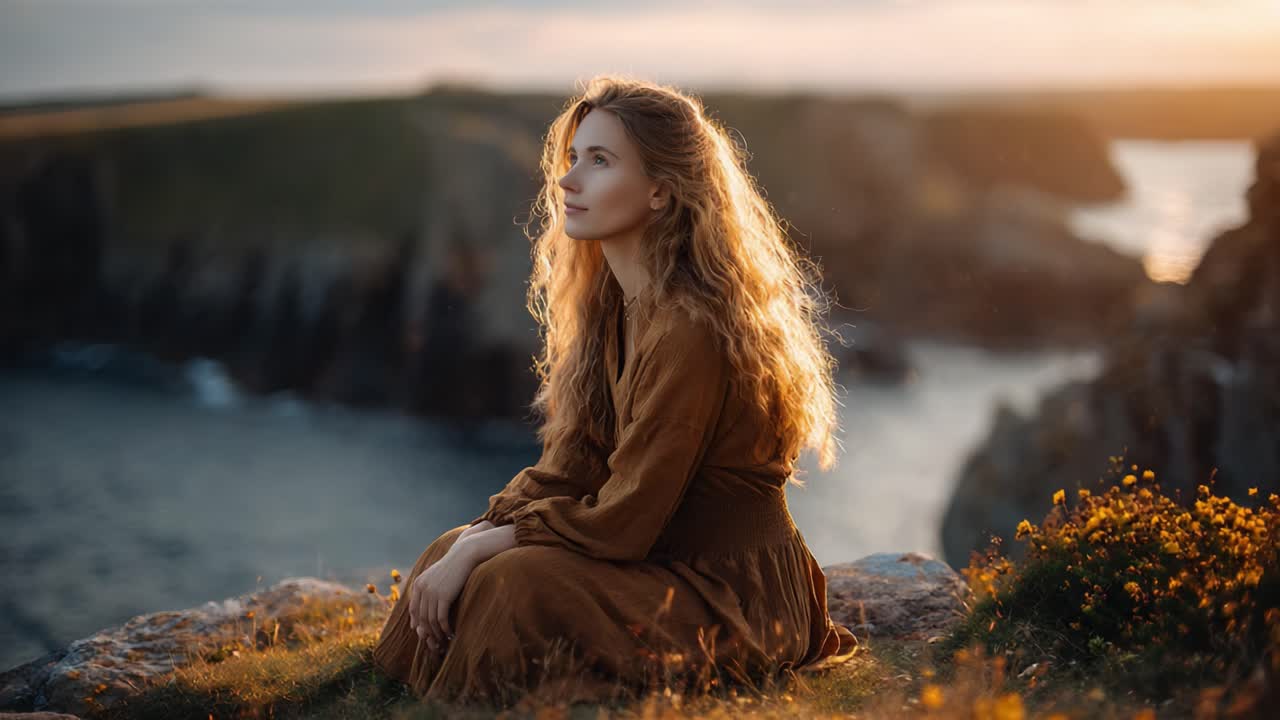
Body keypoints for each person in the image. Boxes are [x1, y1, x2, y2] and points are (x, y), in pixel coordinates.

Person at [372, 74, 859, 708]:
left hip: (730, 595)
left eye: (599, 161)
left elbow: (625, 517)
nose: (568, 180)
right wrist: (479, 533)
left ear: (660, 189)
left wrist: (496, 542)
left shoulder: (691, 329)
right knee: (453, 550)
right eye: (573, 158)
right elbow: (573, 465)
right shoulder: (617, 306)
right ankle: (398, 700)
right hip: (659, 564)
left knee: (512, 581)